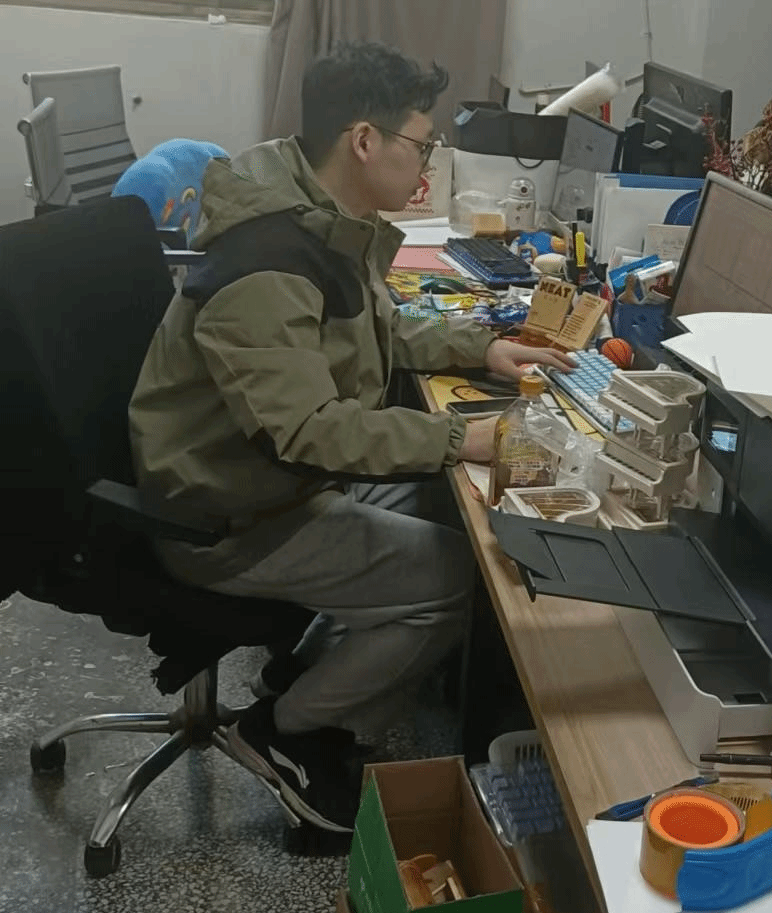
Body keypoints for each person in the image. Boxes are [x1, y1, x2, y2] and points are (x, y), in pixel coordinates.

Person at [128, 42, 573, 831]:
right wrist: (458, 440)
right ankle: (290, 730)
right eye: (422, 145)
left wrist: (479, 348)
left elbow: (373, 328)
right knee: (460, 575)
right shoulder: (270, 259)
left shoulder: (319, 212)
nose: (428, 164)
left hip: (264, 477)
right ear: (364, 141)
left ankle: (307, 668)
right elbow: (308, 431)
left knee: (440, 509)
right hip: (227, 513)